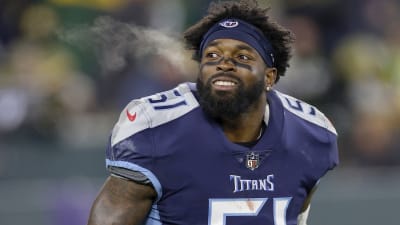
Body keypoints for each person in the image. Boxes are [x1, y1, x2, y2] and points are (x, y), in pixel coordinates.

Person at [87, 0, 339, 224]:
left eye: (242, 56)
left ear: (269, 77)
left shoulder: (310, 132)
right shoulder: (157, 128)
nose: (224, 63)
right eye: (213, 54)